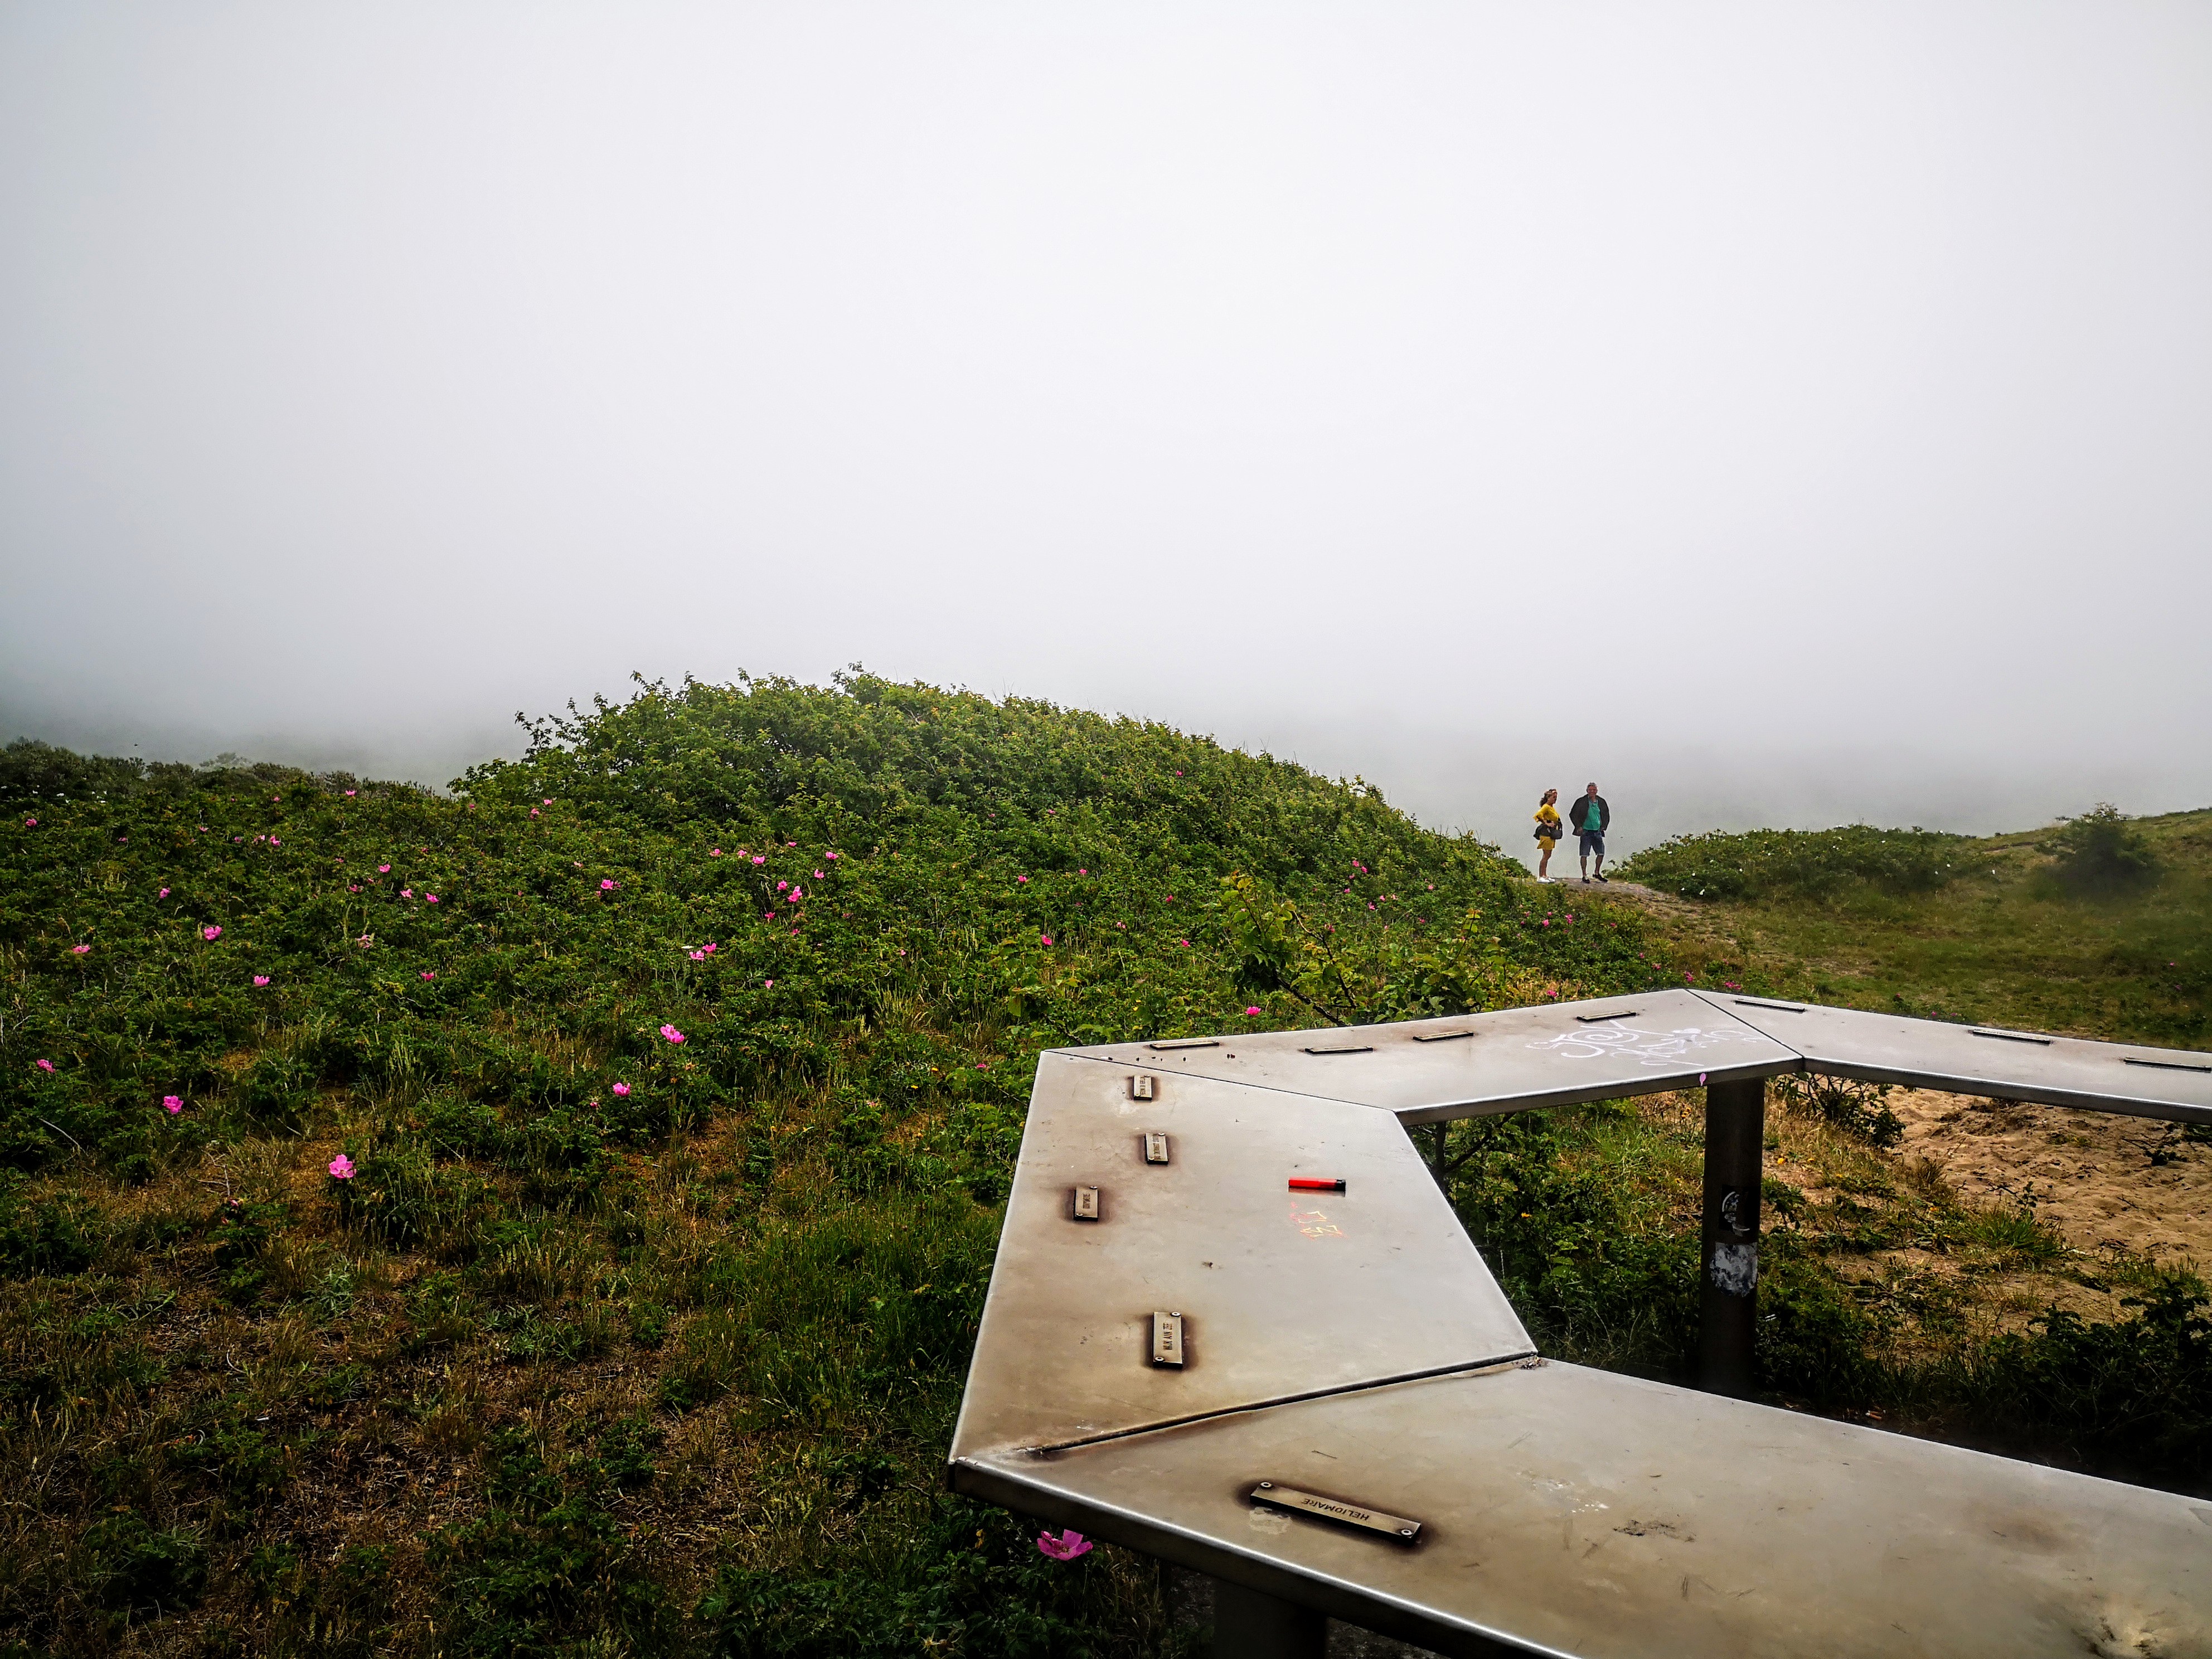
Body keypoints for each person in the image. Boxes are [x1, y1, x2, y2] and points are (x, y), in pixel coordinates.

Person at [1570, 782, 1610, 882]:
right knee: (1584, 854)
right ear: (1587, 791)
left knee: (1601, 853)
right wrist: (1578, 826)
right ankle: (1584, 875)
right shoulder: (1581, 801)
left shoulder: (1601, 802)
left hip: (1597, 831)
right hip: (1586, 831)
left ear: (1597, 791)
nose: (1592, 792)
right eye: (1590, 790)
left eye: (1594, 790)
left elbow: (1606, 814)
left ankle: (1597, 873)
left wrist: (1604, 826)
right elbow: (1573, 814)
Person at [1532, 789, 1563, 880]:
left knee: (1548, 855)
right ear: (1548, 798)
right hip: (1546, 833)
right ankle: (1541, 875)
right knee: (1546, 855)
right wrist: (1547, 823)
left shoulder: (1551, 807)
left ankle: (1544, 875)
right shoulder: (1546, 807)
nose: (1555, 799)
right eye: (1553, 798)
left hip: (1551, 834)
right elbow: (1538, 815)